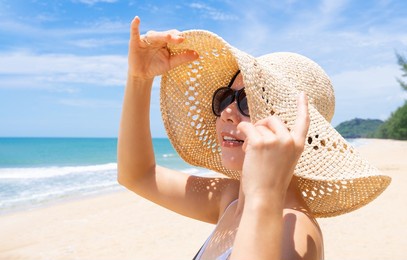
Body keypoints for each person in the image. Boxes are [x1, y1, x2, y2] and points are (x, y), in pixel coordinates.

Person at [117, 16, 391, 260]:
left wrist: (266, 193)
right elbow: (138, 175)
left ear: (296, 131)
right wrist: (139, 79)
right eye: (225, 97)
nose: (226, 112)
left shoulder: (293, 230)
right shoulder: (232, 199)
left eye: (248, 102)